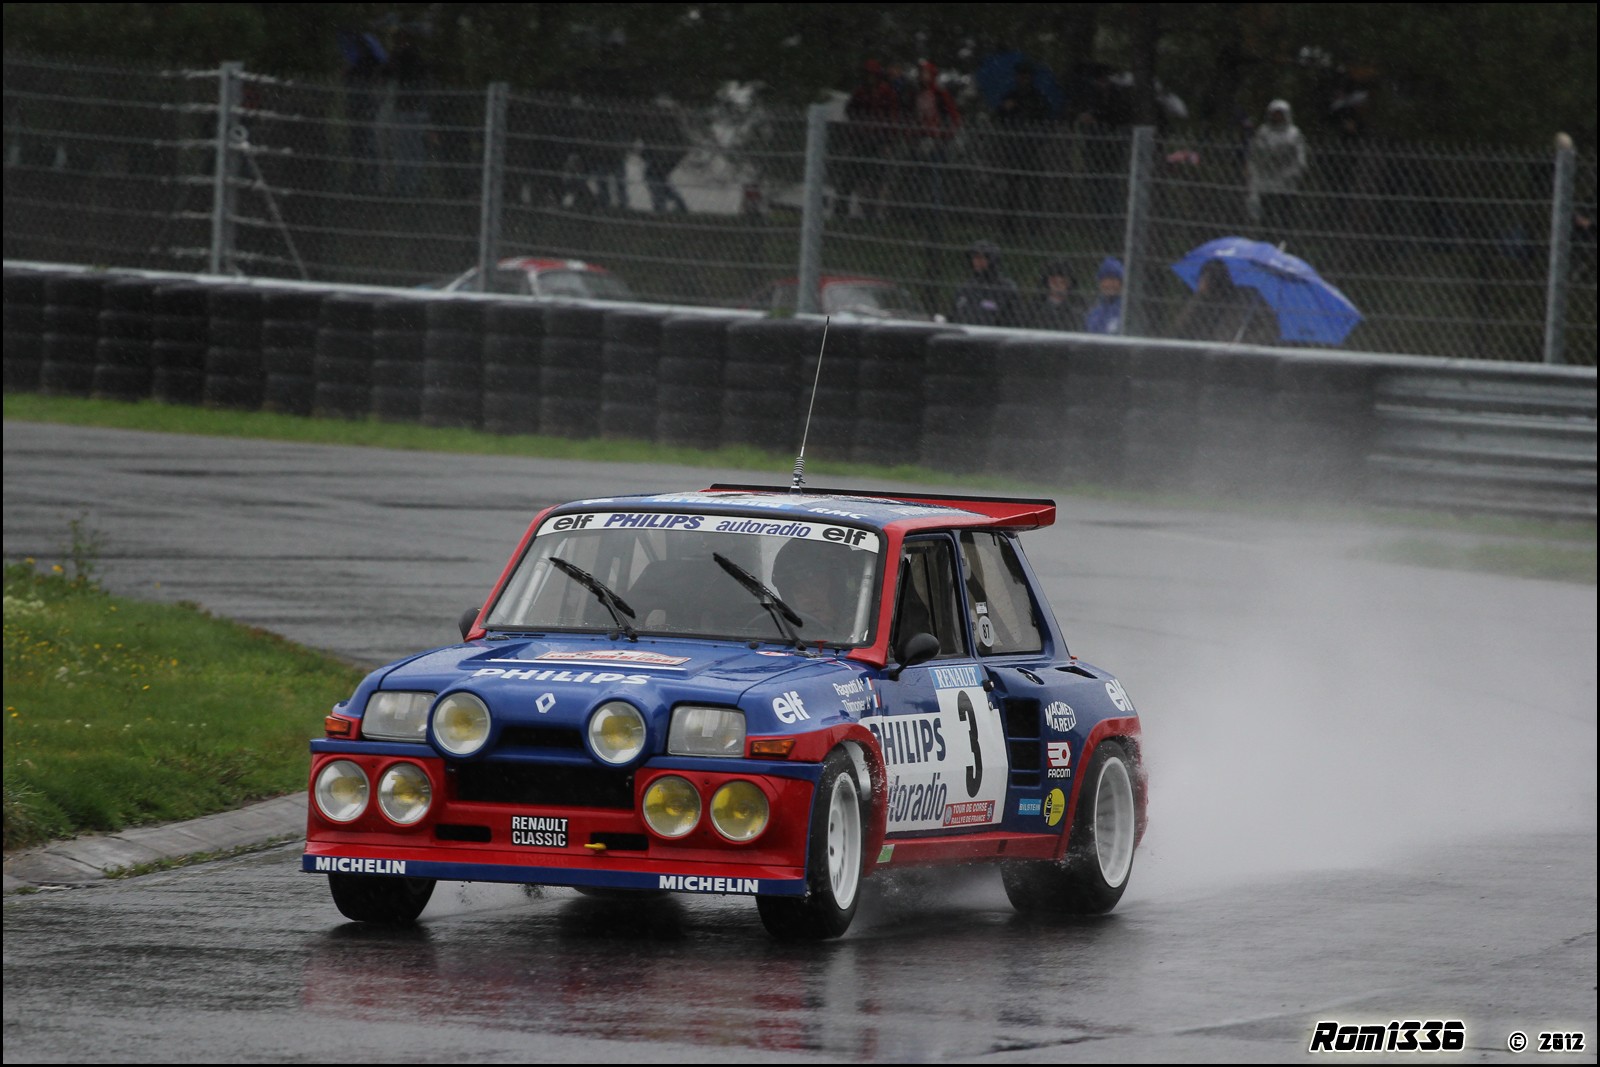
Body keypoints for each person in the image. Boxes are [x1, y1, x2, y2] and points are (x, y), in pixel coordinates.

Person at [840, 59, 902, 220]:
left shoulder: (886, 92)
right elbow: (850, 111)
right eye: (867, 75)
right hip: (861, 140)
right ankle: (843, 210)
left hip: (878, 141)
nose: (870, 78)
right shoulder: (861, 92)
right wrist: (856, 129)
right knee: (851, 177)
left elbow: (893, 118)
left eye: (872, 75)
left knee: (876, 179)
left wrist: (888, 141)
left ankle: (872, 213)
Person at [1170, 259, 1271, 344]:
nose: (1200, 283)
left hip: (1237, 351)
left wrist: (1245, 342)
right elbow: (1180, 326)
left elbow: (1266, 330)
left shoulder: (1244, 298)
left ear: (1215, 279)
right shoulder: (1200, 299)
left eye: (1203, 279)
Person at [1246, 99, 1308, 234]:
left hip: (1286, 182)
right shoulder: (1263, 132)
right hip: (1265, 181)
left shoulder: (1293, 134)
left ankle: (1284, 239)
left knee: (1285, 214)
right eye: (1275, 113)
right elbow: (1254, 154)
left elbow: (1300, 160)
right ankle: (1266, 238)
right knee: (1266, 214)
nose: (1277, 117)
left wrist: (1291, 174)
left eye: (1280, 114)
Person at [951, 240, 1020, 327]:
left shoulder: (1006, 288)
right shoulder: (965, 288)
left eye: (981, 258)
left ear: (992, 260)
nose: (976, 262)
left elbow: (1014, 320)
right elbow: (953, 316)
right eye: (974, 258)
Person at [1031, 260, 1080, 331]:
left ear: (1069, 284)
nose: (1058, 285)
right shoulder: (1036, 306)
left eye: (1063, 282)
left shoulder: (1078, 307)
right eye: (1054, 281)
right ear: (1047, 283)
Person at [1083, 257, 1123, 334]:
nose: (1109, 284)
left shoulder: (1127, 310)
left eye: (1113, 279)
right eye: (1105, 279)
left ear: (1121, 283)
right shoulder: (1093, 314)